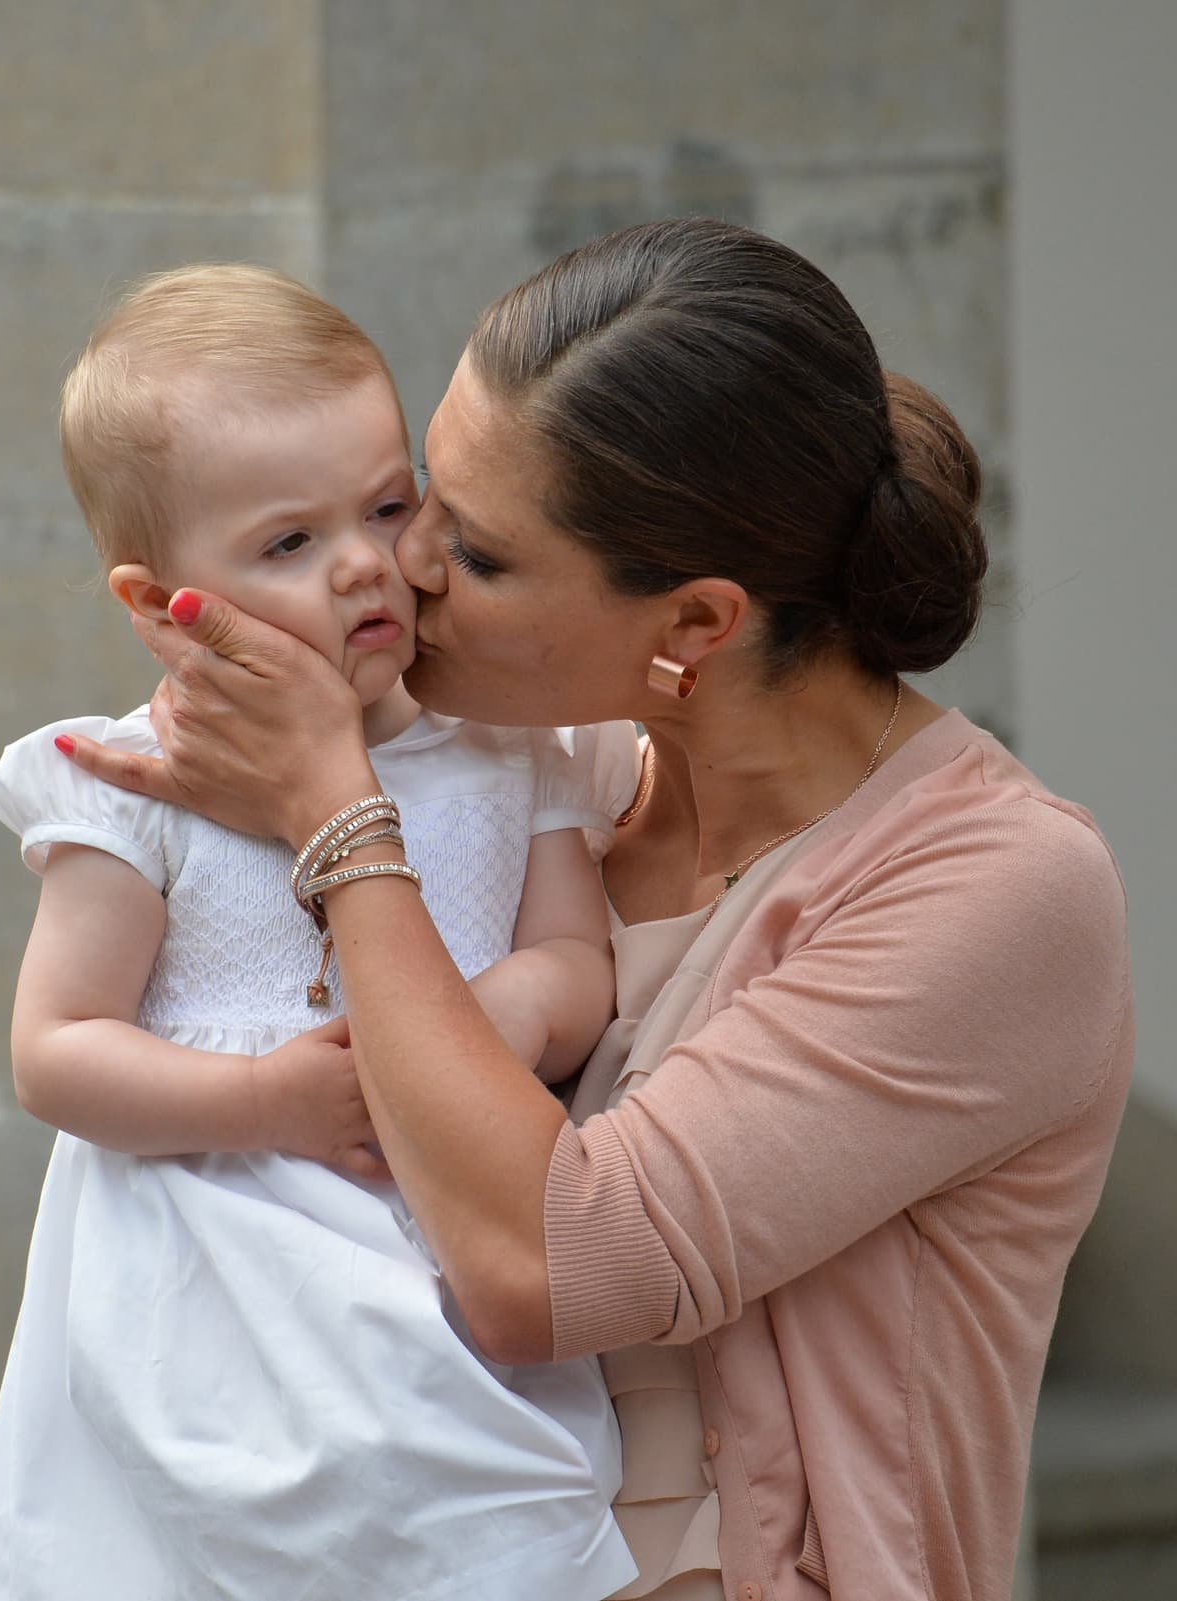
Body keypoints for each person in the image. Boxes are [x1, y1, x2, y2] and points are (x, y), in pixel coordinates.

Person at [59, 218, 1136, 1601]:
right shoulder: (551, 786)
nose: (408, 566)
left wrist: (333, 815)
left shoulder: (996, 889)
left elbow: (545, 1270)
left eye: (484, 555)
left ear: (694, 625)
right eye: (421, 495)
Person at [0, 265, 642, 1601]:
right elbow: (57, 1049)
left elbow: (581, 959)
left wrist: (499, 1012)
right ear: (161, 605)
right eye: (287, 542)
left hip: (436, 1289)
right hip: (206, 1308)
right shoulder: (130, 782)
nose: (362, 561)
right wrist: (266, 1095)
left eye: (389, 505)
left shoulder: (513, 752)